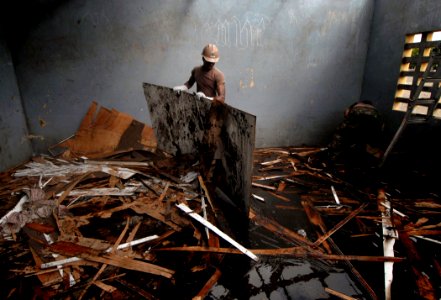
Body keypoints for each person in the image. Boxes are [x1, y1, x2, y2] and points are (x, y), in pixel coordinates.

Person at [327, 100, 384, 167]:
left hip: (357, 118)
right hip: (375, 124)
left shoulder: (355, 106)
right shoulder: (374, 109)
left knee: (339, 135)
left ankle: (333, 158)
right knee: (370, 142)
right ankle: (374, 163)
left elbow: (347, 115)